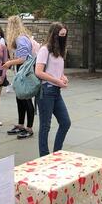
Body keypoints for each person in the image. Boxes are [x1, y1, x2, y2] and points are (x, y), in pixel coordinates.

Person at [34, 22, 71, 156]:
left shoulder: (60, 51)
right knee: (45, 126)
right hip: (46, 91)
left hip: (56, 91)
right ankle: (43, 156)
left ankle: (57, 153)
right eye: (60, 35)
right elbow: (39, 72)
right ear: (54, 34)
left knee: (65, 122)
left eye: (64, 35)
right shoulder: (45, 50)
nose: (62, 38)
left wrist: (63, 77)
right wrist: (57, 81)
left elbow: (57, 71)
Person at [2, 16, 35, 138]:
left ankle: (29, 128)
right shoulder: (22, 37)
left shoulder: (20, 39)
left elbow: (23, 58)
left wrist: (10, 63)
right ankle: (21, 125)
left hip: (24, 73)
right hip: (22, 72)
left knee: (26, 99)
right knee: (20, 98)